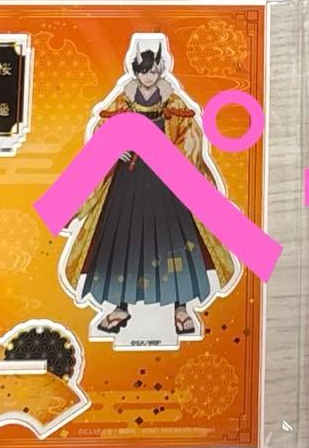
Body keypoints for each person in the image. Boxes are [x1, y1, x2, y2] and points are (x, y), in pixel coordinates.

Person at [61, 38, 236, 338]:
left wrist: (171, 158)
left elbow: (191, 137)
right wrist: (113, 148)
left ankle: (181, 307)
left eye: (153, 71)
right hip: (128, 184)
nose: (148, 77)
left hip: (168, 184)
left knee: (174, 241)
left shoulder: (174, 103)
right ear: (135, 71)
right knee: (125, 240)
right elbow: (103, 133)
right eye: (143, 71)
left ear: (160, 71)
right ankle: (121, 306)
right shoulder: (122, 102)